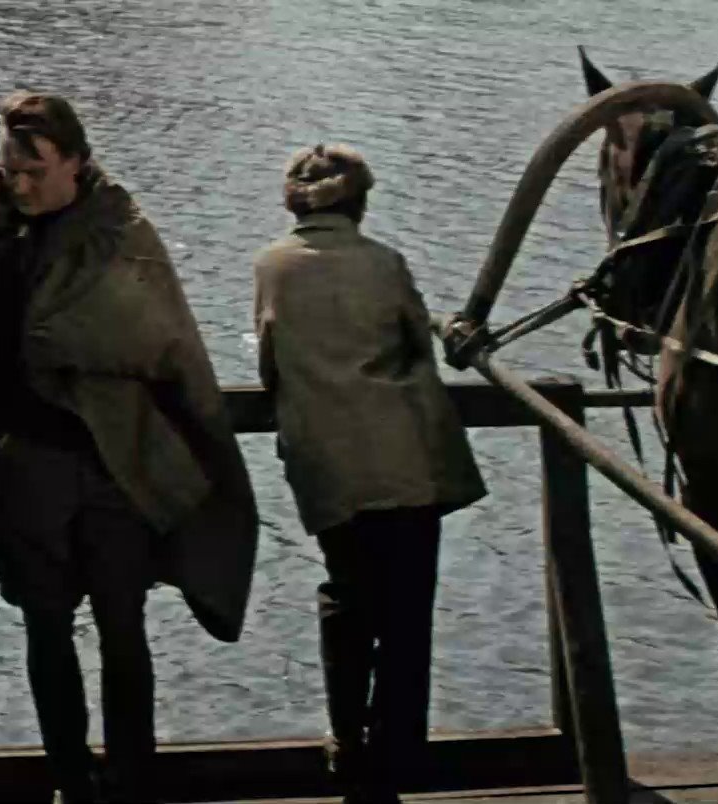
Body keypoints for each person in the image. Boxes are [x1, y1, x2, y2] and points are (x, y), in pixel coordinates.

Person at [0, 91, 259, 803]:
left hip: (113, 465)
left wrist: (53, 340)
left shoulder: (120, 235)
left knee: (122, 626)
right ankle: (70, 779)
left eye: (36, 171)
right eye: (11, 171)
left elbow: (157, 338)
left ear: (76, 162)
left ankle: (132, 780)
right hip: (19, 465)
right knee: (45, 629)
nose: (21, 186)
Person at [250, 144, 487, 803]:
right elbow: (417, 345)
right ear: (359, 202)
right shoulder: (386, 263)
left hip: (329, 465)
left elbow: (271, 363)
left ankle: (348, 746)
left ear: (294, 203)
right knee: (407, 613)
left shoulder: (271, 267)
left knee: (348, 596)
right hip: (406, 461)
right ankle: (396, 757)